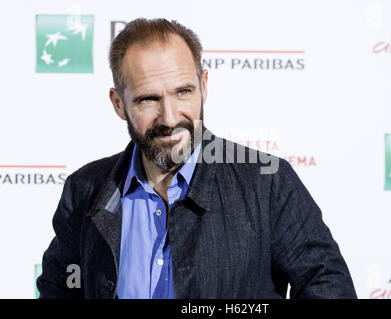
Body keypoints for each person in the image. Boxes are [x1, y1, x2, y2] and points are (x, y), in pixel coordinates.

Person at [37, 18, 357, 299]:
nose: (170, 117)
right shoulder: (84, 190)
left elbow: (328, 287)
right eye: (149, 99)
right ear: (119, 103)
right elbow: (58, 291)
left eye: (183, 92)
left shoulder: (269, 182)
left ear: (203, 86)